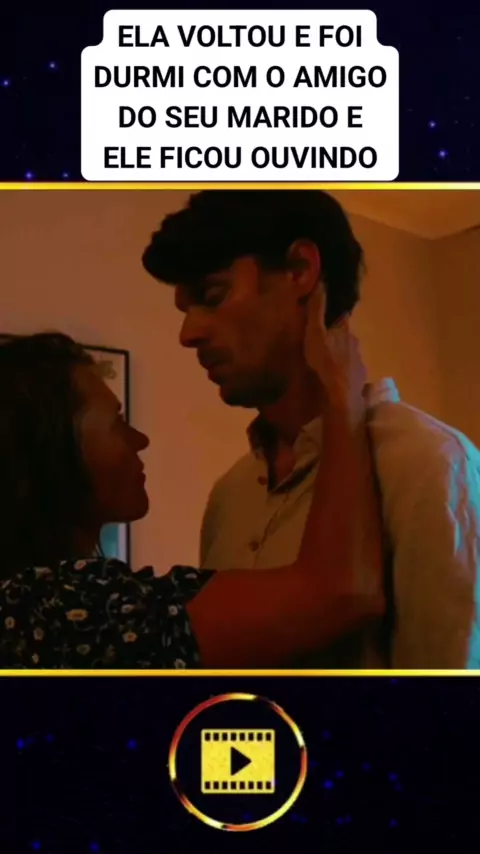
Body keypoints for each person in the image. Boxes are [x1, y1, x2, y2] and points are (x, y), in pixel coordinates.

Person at [142, 189, 480, 669]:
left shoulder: (429, 466)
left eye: (213, 296)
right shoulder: (230, 495)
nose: (188, 333)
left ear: (301, 270)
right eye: (184, 311)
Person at [0, 311, 383, 669]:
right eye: (117, 422)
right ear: (48, 449)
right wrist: (342, 396)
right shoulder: (49, 609)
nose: (139, 439)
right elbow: (343, 589)